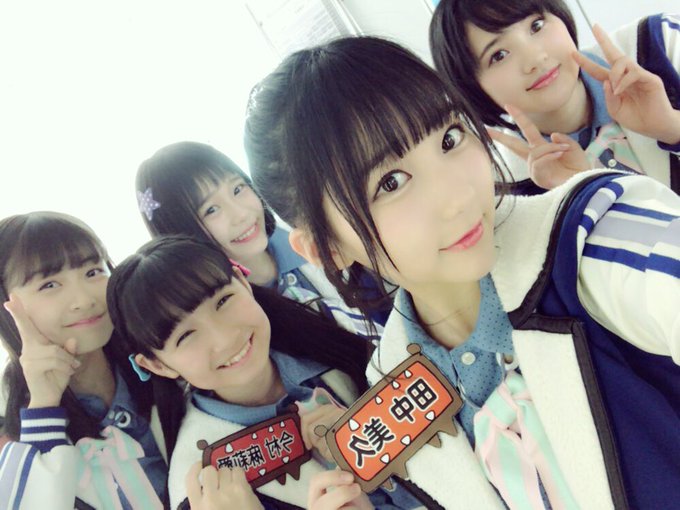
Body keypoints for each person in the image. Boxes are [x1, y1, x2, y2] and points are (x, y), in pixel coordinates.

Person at [244, 36, 680, 509]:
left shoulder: (590, 233)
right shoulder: (391, 383)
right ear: (326, 248)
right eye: (391, 182)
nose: (459, 196)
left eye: (450, 138)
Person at [106, 235, 423, 509]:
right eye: (186, 336)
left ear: (242, 281)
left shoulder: (333, 342)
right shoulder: (202, 487)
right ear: (156, 365)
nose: (224, 338)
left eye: (223, 301)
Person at [0, 211, 178, 509]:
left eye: (93, 272)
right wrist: (44, 406)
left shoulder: (163, 354)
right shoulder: (14, 431)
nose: (84, 300)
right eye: (49, 285)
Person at [135, 141, 387, 338]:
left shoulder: (312, 236)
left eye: (238, 189)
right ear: (184, 235)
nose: (241, 214)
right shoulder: (231, 316)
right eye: (211, 210)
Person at [429, 1, 680, 192]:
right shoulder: (510, 191)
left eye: (536, 26)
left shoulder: (660, 44)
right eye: (499, 55)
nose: (535, 59)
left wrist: (672, 129)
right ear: (473, 88)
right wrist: (582, 194)